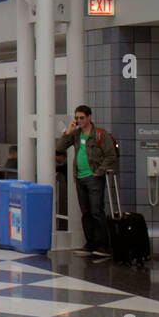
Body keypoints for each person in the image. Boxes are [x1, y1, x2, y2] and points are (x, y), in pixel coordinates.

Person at [56, 105, 118, 258]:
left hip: (93, 177)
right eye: (77, 118)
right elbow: (60, 148)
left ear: (89, 117)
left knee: (97, 211)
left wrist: (99, 171)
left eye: (81, 118)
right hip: (80, 177)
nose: (79, 121)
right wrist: (67, 132)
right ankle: (90, 243)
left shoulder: (100, 135)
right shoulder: (76, 135)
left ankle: (103, 245)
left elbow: (110, 156)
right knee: (86, 212)